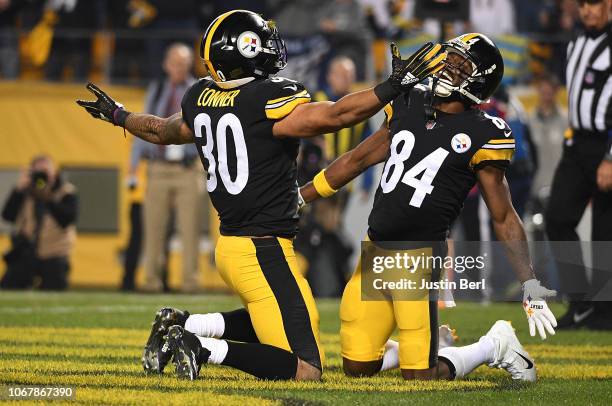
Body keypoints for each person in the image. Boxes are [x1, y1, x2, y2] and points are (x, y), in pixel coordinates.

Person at [76, 9, 446, 381]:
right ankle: (201, 347)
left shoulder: (201, 96)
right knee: (306, 370)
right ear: (243, 50)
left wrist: (120, 115)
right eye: (262, 40)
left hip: (232, 246)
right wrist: (391, 87)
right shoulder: (269, 98)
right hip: (263, 247)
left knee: (284, 314)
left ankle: (185, 323)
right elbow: (335, 116)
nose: (271, 46)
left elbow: (161, 130)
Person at [299, 33, 558, 381]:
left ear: (480, 81)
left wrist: (530, 285)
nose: (448, 68)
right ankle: (432, 345)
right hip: (375, 250)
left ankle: (494, 345)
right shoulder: (409, 102)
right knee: (357, 368)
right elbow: (357, 159)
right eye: (448, 59)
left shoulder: (484, 133)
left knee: (420, 378)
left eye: (460, 66)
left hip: (419, 255)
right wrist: (301, 195)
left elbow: (503, 215)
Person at [545, 0, 612, 330]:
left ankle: (605, 312)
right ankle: (581, 302)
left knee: (605, 233)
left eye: (595, 3)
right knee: (557, 217)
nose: (588, 11)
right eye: (583, 4)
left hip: (606, 143)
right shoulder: (574, 40)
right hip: (578, 144)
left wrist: (610, 157)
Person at [129, 43, 202, 293]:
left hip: (188, 169)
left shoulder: (197, 90)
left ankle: (190, 284)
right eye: (175, 62)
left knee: (189, 230)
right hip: (158, 168)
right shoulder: (157, 89)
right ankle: (151, 282)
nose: (179, 67)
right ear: (166, 64)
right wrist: (133, 168)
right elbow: (141, 126)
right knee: (153, 229)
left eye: (183, 63)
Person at [1, 155, 77, 290]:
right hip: (26, 251)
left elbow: (67, 219)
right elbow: (8, 216)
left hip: (54, 253)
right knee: (7, 287)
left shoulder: (66, 191)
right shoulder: (25, 191)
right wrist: (19, 189)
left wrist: (48, 197)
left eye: (45, 172)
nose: (42, 177)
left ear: (55, 172)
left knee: (55, 290)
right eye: (38, 172)